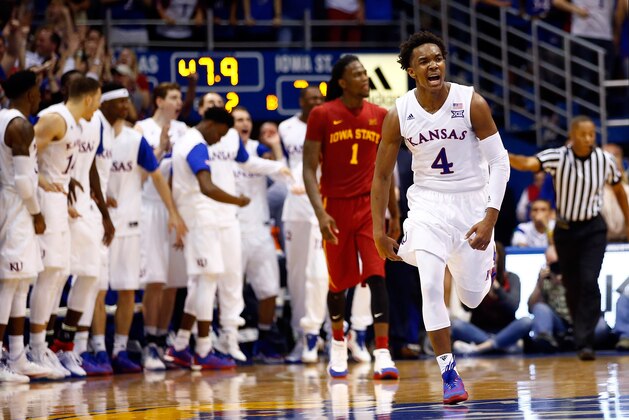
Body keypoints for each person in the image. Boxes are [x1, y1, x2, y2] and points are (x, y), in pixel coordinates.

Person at [371, 31, 510, 404]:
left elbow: (500, 162)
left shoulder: (471, 102)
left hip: (472, 206)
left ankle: (486, 264)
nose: (434, 64)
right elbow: (382, 176)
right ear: (411, 71)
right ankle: (449, 372)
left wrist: (489, 219)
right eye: (424, 61)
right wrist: (378, 231)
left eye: (438, 58)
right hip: (428, 205)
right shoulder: (398, 113)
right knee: (430, 285)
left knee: (472, 298)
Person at [303, 54, 400, 380]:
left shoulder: (381, 115)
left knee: (377, 276)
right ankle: (338, 344)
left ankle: (383, 352)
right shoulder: (322, 114)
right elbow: (308, 168)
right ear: (343, 82)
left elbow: (389, 171)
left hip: (370, 209)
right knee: (338, 283)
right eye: (357, 74)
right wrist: (320, 213)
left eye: (365, 73)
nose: (365, 78)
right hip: (335, 208)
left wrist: (395, 214)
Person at [509, 115, 629, 360]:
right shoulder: (558, 156)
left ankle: (585, 341)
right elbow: (529, 163)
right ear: (572, 137)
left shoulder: (604, 160)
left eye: (592, 134)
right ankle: (581, 331)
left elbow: (618, 191)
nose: (587, 139)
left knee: (588, 278)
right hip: (566, 230)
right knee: (572, 284)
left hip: (593, 228)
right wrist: (504, 156)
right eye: (582, 134)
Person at [28, 75, 102, 379]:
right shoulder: (54, 118)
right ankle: (33, 347)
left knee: (58, 273)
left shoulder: (76, 123)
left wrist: (64, 181)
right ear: (89, 98)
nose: (97, 106)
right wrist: (43, 181)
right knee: (46, 274)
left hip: (60, 201)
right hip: (43, 199)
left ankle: (45, 347)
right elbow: (20, 152)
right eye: (97, 99)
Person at [171, 107, 250, 370]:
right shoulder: (197, 145)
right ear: (212, 124)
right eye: (221, 133)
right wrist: (237, 200)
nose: (219, 139)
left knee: (204, 281)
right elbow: (207, 186)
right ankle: (203, 349)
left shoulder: (185, 141)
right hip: (199, 218)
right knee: (208, 280)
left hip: (194, 217)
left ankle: (181, 346)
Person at [0, 71, 52, 382]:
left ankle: (17, 356)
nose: (40, 96)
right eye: (38, 91)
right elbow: (22, 180)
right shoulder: (19, 124)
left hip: (11, 202)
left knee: (20, 281)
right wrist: (37, 213)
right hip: (16, 205)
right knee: (8, 282)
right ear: (31, 93)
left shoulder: (5, 117)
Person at [134, 82, 189, 371]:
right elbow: (140, 176)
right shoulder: (142, 129)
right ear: (158, 101)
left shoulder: (186, 132)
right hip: (150, 208)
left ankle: (161, 339)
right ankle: (148, 345)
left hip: (176, 210)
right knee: (154, 279)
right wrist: (161, 149)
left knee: (173, 282)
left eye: (180, 97)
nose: (178, 102)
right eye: (173, 97)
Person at [451, 243, 532, 355]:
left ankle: (479, 348)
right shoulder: (475, 280)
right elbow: (466, 307)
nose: (490, 267)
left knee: (526, 321)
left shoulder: (512, 278)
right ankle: (503, 345)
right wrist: (475, 286)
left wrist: (498, 289)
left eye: (493, 263)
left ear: (501, 262)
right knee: (456, 325)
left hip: (506, 330)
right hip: (480, 331)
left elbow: (513, 307)